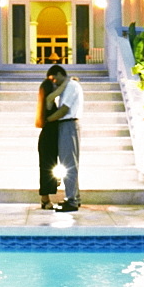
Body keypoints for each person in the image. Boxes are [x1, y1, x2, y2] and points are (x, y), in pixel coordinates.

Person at [45, 64, 83, 212]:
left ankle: (72, 200)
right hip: (65, 125)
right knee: (68, 162)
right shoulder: (67, 86)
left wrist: (48, 120)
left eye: (54, 78)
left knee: (69, 163)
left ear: (60, 74)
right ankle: (74, 197)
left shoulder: (71, 86)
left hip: (69, 124)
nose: (54, 82)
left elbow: (64, 109)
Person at [35, 73, 63, 209]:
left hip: (50, 137)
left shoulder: (49, 102)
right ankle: (45, 200)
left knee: (49, 168)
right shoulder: (48, 101)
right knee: (46, 169)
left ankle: (46, 198)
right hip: (48, 138)